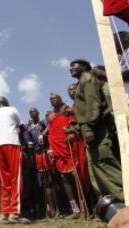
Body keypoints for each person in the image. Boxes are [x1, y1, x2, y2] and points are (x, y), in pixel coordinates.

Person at [69, 59, 123, 201]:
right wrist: (76, 128)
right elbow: (84, 112)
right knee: (99, 167)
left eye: (74, 65)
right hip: (93, 129)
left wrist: (88, 128)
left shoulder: (87, 79)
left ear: (85, 67)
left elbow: (94, 105)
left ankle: (124, 198)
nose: (70, 68)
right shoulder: (82, 82)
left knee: (106, 165)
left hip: (97, 130)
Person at [0, 97, 29, 224]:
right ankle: (14, 213)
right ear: (7, 103)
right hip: (11, 143)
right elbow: (22, 128)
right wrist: (23, 139)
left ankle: (4, 212)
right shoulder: (12, 110)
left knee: (5, 181)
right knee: (16, 179)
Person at [47, 93, 81, 219]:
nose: (53, 100)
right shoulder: (50, 115)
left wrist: (72, 135)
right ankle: (75, 209)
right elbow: (50, 132)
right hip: (57, 150)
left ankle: (85, 206)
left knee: (76, 176)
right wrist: (50, 148)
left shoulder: (67, 110)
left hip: (68, 147)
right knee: (64, 179)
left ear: (61, 99)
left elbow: (74, 124)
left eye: (55, 98)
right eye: (51, 99)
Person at [25, 108, 57, 218]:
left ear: (38, 113)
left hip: (47, 152)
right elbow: (29, 145)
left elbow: (51, 126)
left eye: (35, 111)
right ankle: (48, 209)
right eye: (31, 111)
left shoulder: (44, 122)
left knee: (52, 180)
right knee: (42, 183)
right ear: (29, 114)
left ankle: (57, 209)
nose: (33, 113)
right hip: (37, 156)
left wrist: (43, 133)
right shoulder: (28, 129)